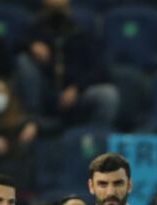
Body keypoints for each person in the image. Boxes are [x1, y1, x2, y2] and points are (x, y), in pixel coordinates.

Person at [15, 0, 119, 128]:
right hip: (46, 91)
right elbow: (13, 46)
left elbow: (99, 68)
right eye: (52, 10)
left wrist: (77, 88)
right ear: (44, 11)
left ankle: (95, 134)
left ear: (68, 10)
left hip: (77, 93)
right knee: (23, 60)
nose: (56, 14)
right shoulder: (35, 31)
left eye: (60, 9)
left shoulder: (81, 33)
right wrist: (31, 45)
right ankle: (33, 117)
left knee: (108, 94)